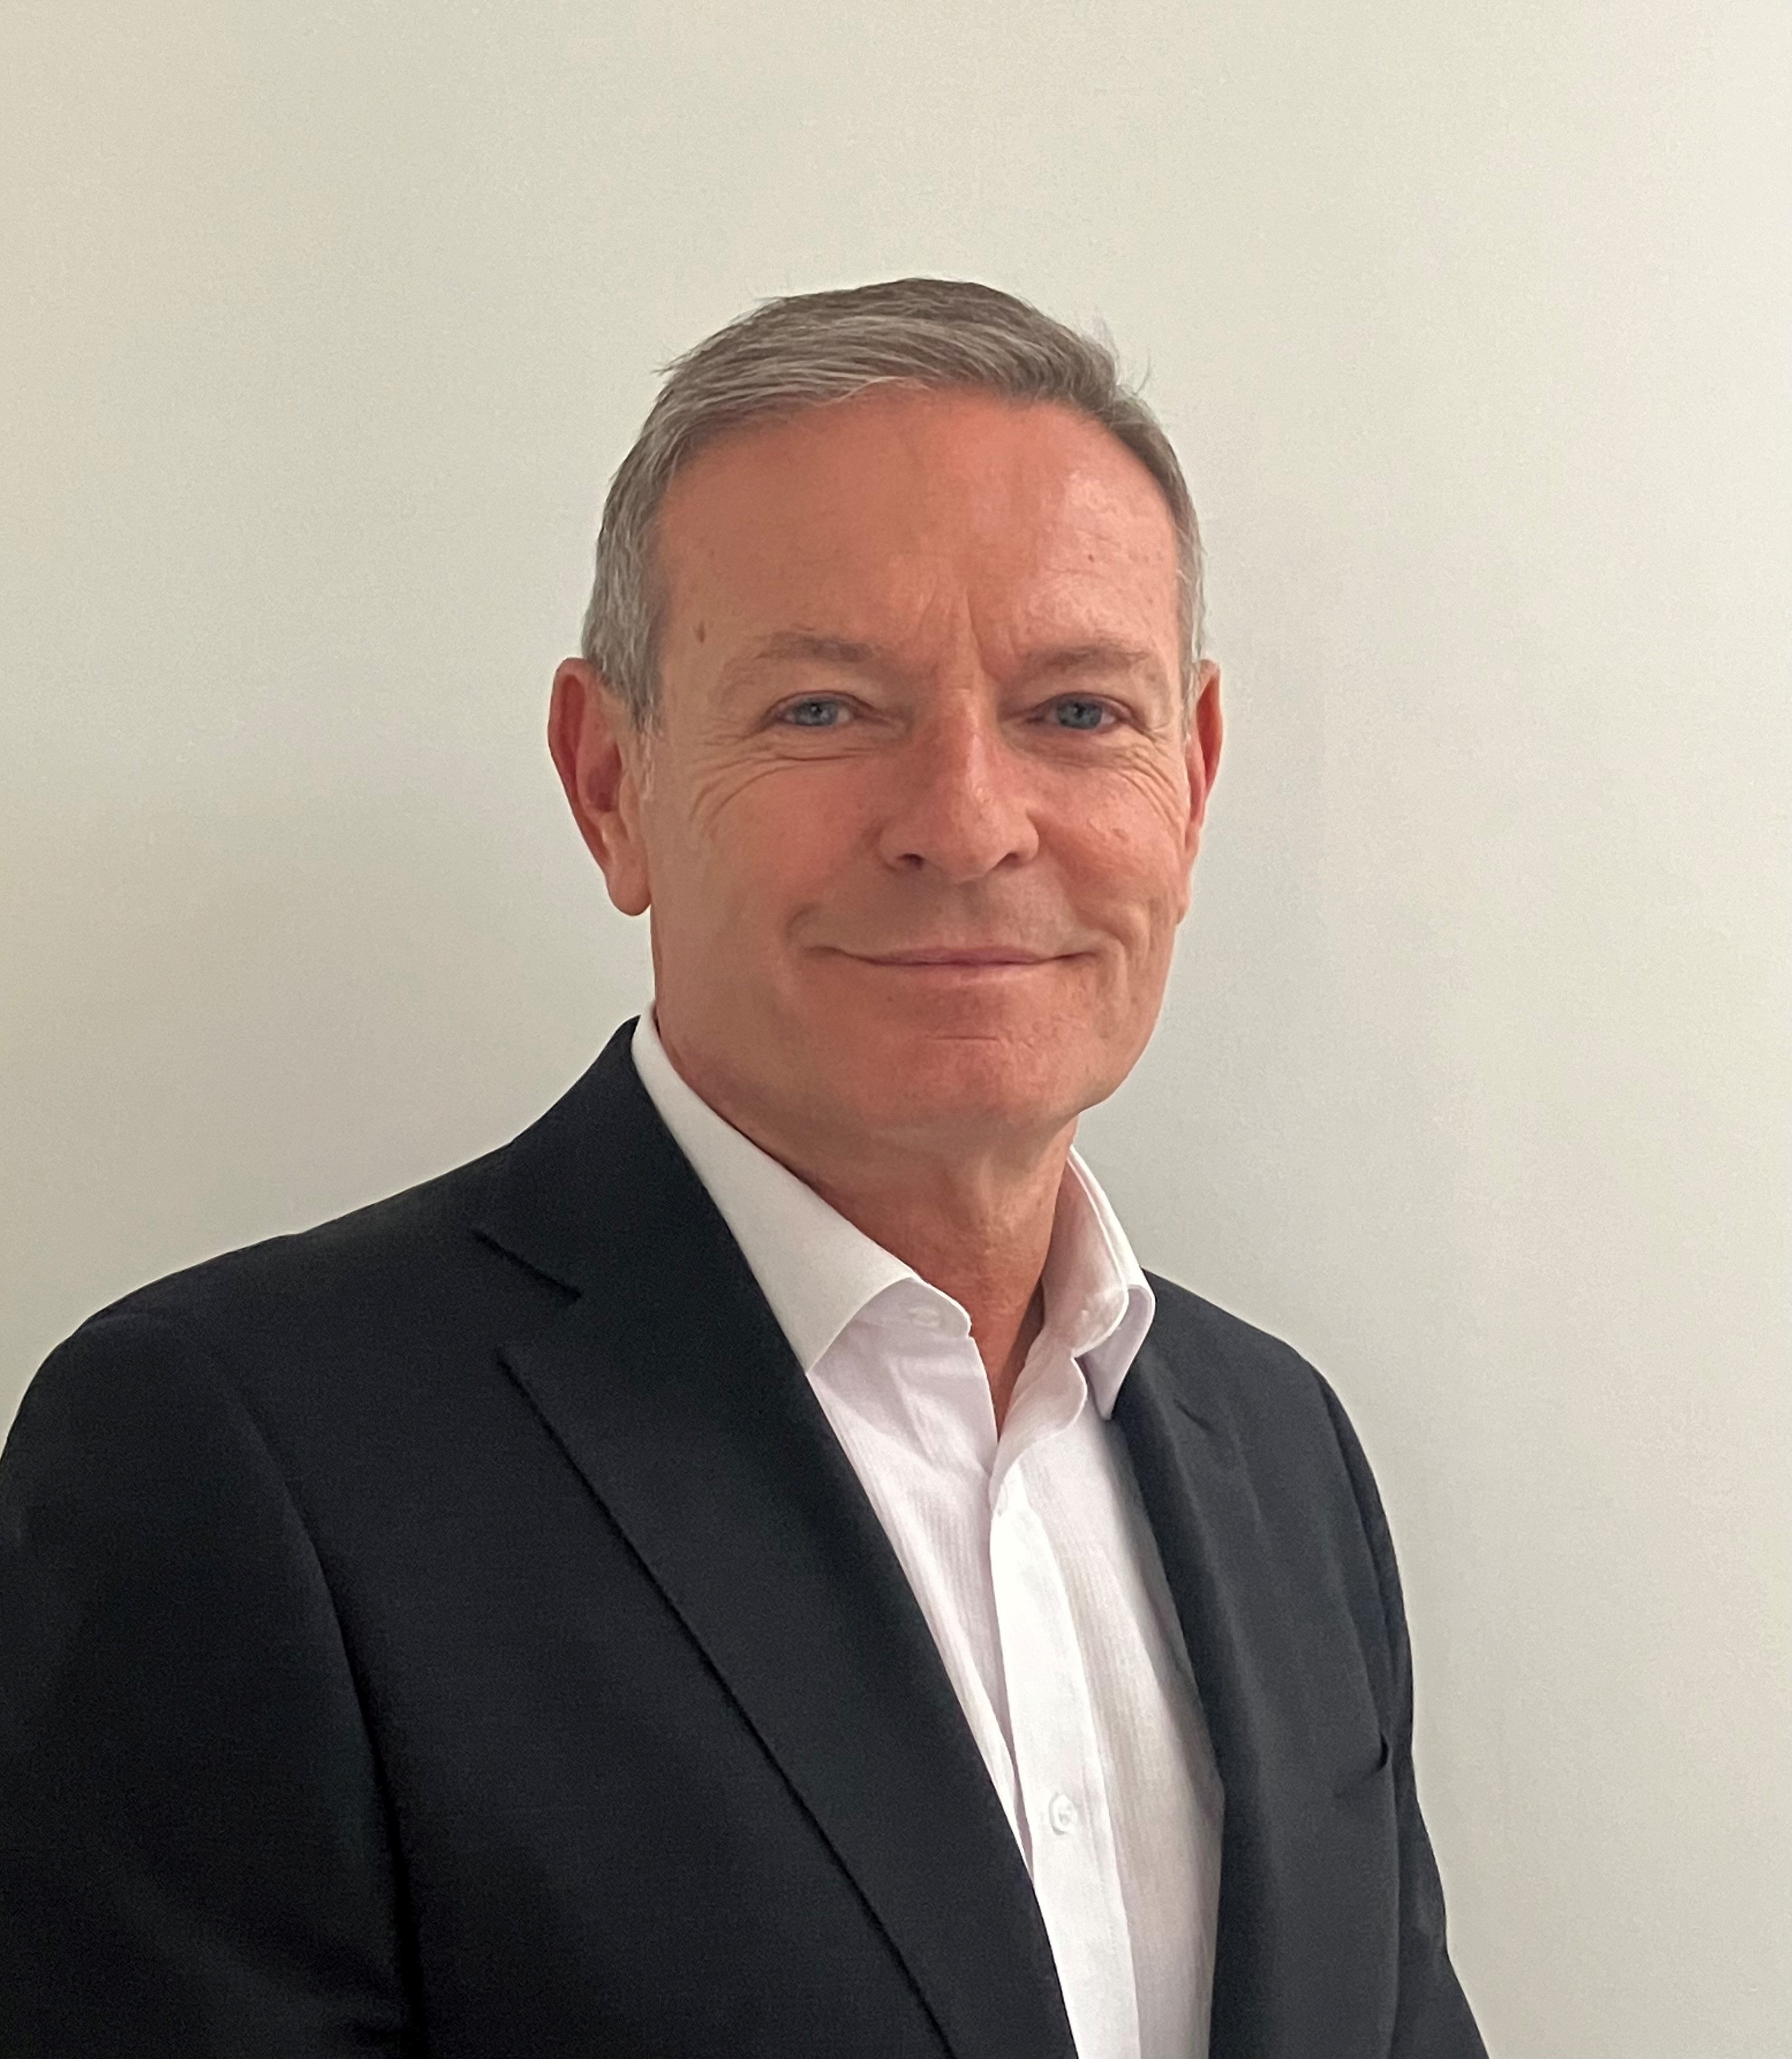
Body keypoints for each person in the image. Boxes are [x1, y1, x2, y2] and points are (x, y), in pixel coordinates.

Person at [0, 278, 1485, 2059]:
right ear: (608, 781)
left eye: (1080, 712)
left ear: (1195, 777)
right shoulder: (232, 1465)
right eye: (824, 711)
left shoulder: (1285, 1454)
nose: (968, 822)